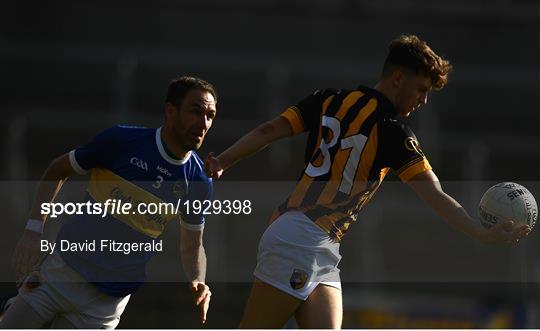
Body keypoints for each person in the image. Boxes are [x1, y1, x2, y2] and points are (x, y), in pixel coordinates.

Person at [204, 35, 532, 329]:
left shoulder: (328, 99)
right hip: (301, 239)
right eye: (421, 89)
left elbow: (269, 130)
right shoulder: (392, 131)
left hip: (322, 246)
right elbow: (434, 193)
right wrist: (478, 232)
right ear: (398, 78)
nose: (423, 100)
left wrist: (224, 160)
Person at [1, 76, 217, 328]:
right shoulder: (122, 141)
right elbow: (58, 170)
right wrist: (33, 229)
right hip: (58, 276)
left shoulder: (199, 181)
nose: (203, 123)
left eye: (210, 115)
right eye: (196, 111)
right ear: (170, 111)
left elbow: (193, 246)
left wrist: (198, 279)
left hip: (104, 307)